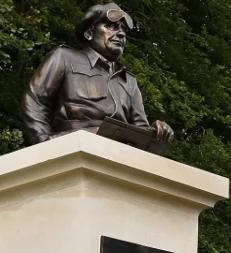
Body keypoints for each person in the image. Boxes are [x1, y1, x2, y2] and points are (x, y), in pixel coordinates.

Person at [21, 3, 173, 146]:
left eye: (123, 29)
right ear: (89, 33)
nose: (120, 33)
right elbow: (35, 101)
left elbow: (140, 130)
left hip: (118, 154)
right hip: (73, 145)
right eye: (110, 26)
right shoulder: (64, 58)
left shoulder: (129, 81)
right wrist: (45, 144)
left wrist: (158, 132)